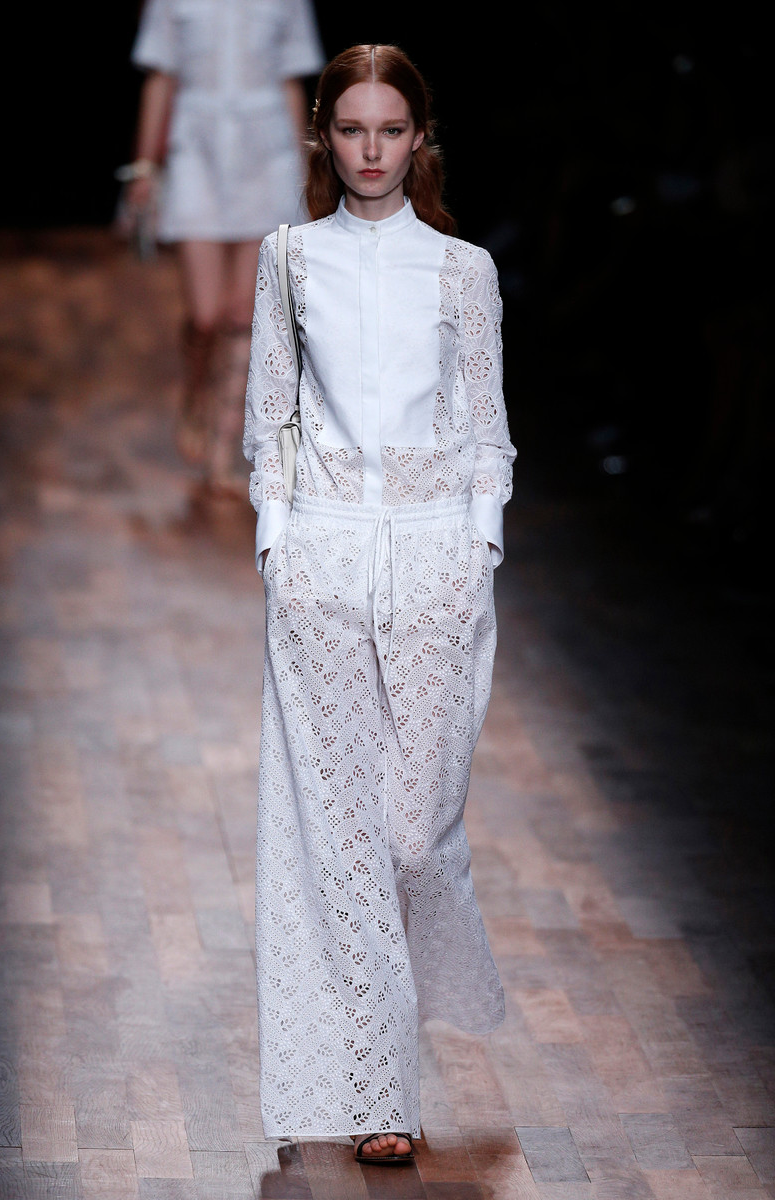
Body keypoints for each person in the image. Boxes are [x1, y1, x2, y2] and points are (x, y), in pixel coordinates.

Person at [243, 44, 516, 1164]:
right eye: (351, 129)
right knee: (346, 834)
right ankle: (379, 1093)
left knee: (413, 831)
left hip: (436, 561)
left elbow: (487, 425)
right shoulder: (287, 258)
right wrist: (278, 541)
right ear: (325, 135)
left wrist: (478, 544)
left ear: (419, 138)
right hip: (321, 559)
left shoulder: (463, 271)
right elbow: (270, 413)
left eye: (389, 130)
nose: (370, 150)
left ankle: (428, 1002)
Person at [122, 0, 324, 496]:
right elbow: (160, 77)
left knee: (241, 314)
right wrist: (144, 166)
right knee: (205, 314)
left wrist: (305, 175)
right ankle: (195, 392)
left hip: (268, 154)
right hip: (197, 149)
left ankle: (221, 448)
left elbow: (290, 80)